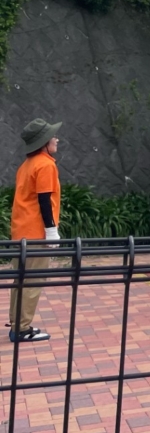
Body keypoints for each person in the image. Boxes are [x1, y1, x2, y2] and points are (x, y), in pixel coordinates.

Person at [9, 119, 63, 342]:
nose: (56, 139)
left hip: (20, 230)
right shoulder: (46, 164)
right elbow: (44, 199)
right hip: (36, 233)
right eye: (53, 137)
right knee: (33, 280)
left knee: (20, 279)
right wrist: (51, 231)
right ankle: (22, 329)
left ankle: (16, 322)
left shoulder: (27, 165)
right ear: (43, 143)